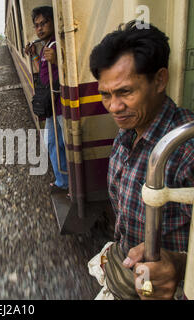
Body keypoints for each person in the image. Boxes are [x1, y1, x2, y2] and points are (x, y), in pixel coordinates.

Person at [88, 21, 194, 300]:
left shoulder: (185, 151)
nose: (114, 107)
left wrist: (179, 265)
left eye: (125, 92)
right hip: (128, 273)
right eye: (105, 94)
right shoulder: (128, 131)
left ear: (159, 80)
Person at [24, 6, 68, 193]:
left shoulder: (59, 45)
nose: (40, 28)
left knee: (66, 144)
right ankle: (62, 181)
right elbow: (43, 72)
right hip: (52, 107)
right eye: (37, 25)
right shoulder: (46, 47)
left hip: (63, 106)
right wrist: (34, 55)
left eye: (44, 23)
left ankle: (72, 183)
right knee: (52, 143)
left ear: (53, 22)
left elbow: (74, 70)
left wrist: (59, 60)